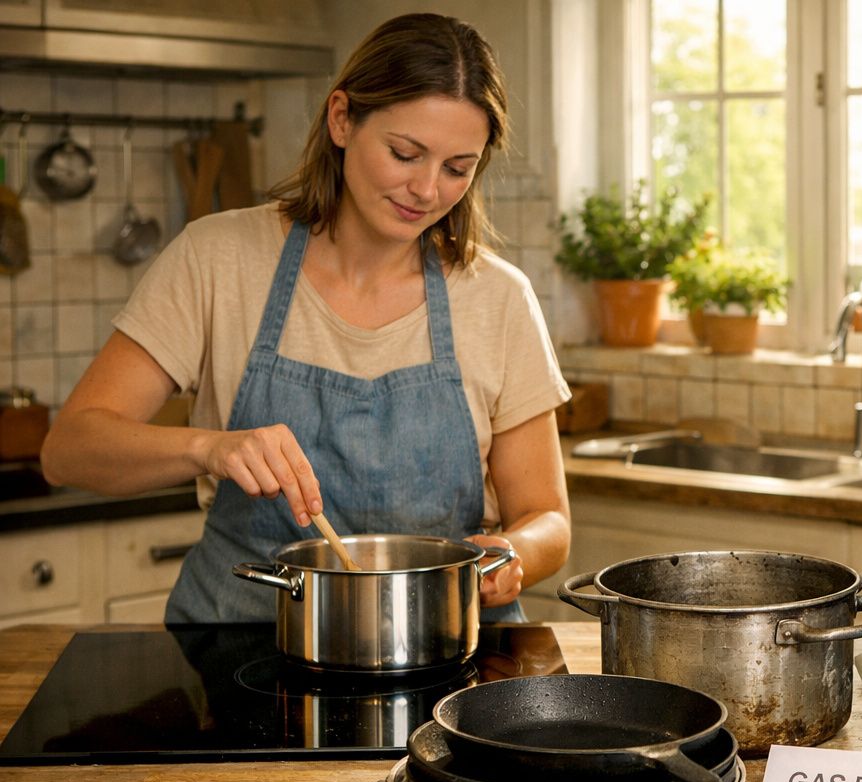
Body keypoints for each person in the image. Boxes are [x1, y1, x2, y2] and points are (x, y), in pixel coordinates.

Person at [39, 13, 571, 623]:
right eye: (405, 153)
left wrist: (512, 552)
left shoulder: (497, 296)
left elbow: (548, 519)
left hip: (443, 649)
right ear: (341, 119)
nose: (426, 189)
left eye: (457, 168)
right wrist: (208, 448)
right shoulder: (218, 258)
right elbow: (69, 451)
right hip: (244, 649)